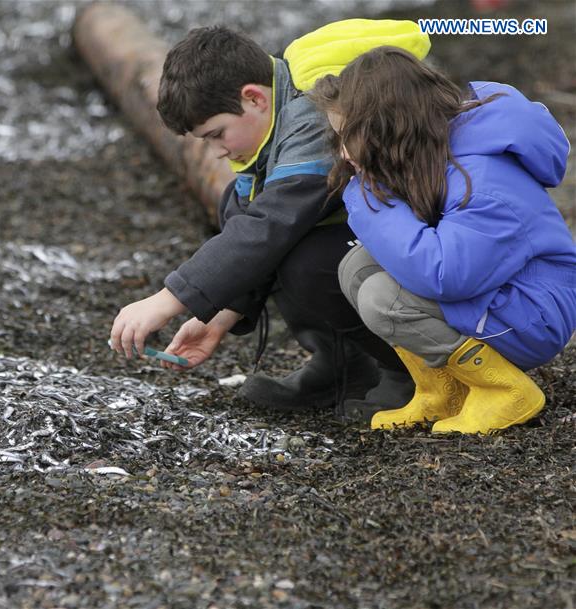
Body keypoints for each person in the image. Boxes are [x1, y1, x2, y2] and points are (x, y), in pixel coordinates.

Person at [108, 20, 432, 419]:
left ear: (254, 99)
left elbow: (272, 225)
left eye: (217, 134)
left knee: (307, 260)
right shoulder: (274, 115)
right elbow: (260, 220)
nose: (217, 152)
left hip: (432, 245)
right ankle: (343, 364)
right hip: (387, 233)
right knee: (237, 204)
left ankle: (413, 369)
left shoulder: (313, 111)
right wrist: (219, 316)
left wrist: (167, 299)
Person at [309, 46, 576, 433]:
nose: (345, 154)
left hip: (532, 315)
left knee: (383, 299)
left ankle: (506, 391)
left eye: (348, 137)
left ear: (389, 128)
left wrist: (367, 198)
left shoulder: (484, 184)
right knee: (357, 266)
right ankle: (442, 391)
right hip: (499, 299)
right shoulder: (433, 151)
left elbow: (442, 274)